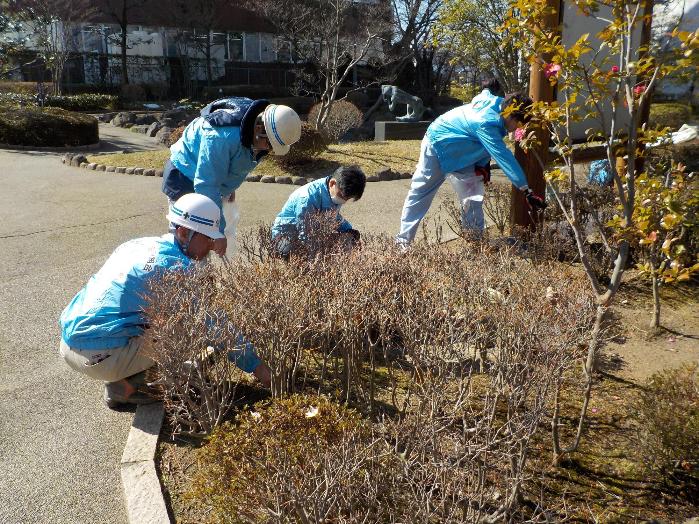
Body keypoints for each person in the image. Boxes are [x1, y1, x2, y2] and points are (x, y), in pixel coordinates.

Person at [58, 194, 271, 408]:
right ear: (184, 232)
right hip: (100, 358)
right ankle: (130, 386)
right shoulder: (176, 269)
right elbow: (215, 326)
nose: (211, 247)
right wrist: (259, 369)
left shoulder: (137, 244)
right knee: (191, 329)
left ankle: (128, 373)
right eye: (207, 239)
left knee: (171, 318)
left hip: (69, 346)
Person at [396, 79, 546, 245]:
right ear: (510, 115)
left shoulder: (499, 105)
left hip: (463, 154)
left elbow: (485, 94)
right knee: (421, 193)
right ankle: (402, 242)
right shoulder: (486, 123)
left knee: (472, 197)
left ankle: (475, 243)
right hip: (437, 145)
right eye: (519, 123)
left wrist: (482, 166)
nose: (518, 128)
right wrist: (526, 190)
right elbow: (504, 157)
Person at [162, 97, 302, 257]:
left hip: (207, 179)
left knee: (204, 241)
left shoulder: (258, 131)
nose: (270, 150)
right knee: (190, 241)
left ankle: (198, 272)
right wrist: (217, 232)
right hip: (185, 175)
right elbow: (207, 185)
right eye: (270, 144)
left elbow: (237, 161)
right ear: (259, 129)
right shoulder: (222, 136)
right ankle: (176, 275)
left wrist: (228, 187)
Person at [271, 165, 366, 258]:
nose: (344, 201)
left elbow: (333, 216)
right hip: (286, 235)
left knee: (349, 239)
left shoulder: (335, 190)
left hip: (313, 231)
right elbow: (305, 233)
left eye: (347, 199)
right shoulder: (307, 198)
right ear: (332, 183)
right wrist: (319, 255)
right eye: (342, 196)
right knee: (296, 253)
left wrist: (348, 230)